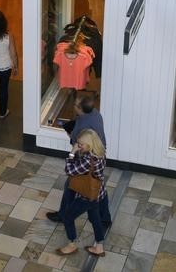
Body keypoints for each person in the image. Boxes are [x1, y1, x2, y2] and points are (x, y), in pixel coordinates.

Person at [46, 95, 112, 227]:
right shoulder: (95, 113)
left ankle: (64, 215)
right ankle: (105, 219)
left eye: (76, 104)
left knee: (70, 185)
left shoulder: (84, 124)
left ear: (80, 109)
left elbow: (76, 142)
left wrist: (72, 149)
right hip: (99, 154)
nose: (73, 105)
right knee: (99, 187)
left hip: (86, 158)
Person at [55, 129, 107, 257]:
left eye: (80, 144)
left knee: (67, 217)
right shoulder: (100, 153)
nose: (78, 146)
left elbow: (69, 171)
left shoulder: (88, 160)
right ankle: (99, 247)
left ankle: (72, 245)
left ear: (89, 145)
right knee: (95, 219)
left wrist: (72, 153)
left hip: (86, 196)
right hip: (97, 193)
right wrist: (80, 152)